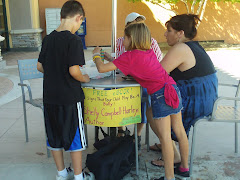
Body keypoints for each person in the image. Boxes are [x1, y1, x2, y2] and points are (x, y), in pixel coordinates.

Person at [92, 23, 189, 180]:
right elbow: (134, 66)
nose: (122, 41)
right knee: (179, 130)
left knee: (165, 137)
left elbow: (102, 69)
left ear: (131, 39)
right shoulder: (148, 51)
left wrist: (96, 55)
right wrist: (112, 59)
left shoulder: (129, 57)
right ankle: (184, 168)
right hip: (172, 87)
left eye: (125, 38)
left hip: (160, 95)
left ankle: (169, 177)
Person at [148, 14, 218, 177]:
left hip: (196, 101)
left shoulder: (180, 49)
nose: (165, 34)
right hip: (206, 98)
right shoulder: (194, 46)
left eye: (169, 30)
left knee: (152, 111)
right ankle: (174, 152)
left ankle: (172, 153)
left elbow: (157, 75)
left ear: (180, 33)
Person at [37, 1, 94, 180]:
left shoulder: (48, 39)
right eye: (80, 23)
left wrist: (54, 70)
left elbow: (40, 66)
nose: (78, 27)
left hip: (50, 98)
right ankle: (78, 176)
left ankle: (61, 174)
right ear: (79, 18)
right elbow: (74, 71)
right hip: (70, 97)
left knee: (54, 136)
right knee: (74, 136)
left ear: (61, 16)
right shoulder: (74, 40)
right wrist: (84, 77)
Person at [104, 12, 163, 148]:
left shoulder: (151, 42)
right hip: (123, 80)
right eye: (133, 25)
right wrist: (110, 60)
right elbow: (120, 62)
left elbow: (160, 63)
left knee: (143, 99)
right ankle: (121, 130)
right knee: (114, 95)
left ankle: (137, 134)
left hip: (143, 83)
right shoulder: (120, 41)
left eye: (140, 25)